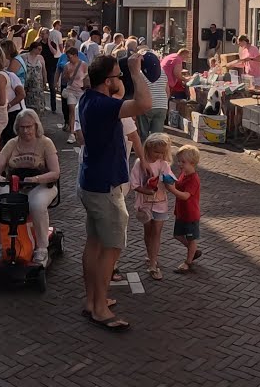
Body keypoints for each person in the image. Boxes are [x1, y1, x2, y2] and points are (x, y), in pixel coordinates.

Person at [77, 53, 151, 332]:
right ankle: (99, 309)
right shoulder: (104, 105)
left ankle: (92, 300)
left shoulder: (88, 99)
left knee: (94, 244)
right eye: (116, 76)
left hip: (91, 182)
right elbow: (145, 103)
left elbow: (118, 94)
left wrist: (117, 80)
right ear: (107, 80)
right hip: (105, 187)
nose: (120, 80)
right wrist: (135, 71)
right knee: (111, 248)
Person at [0, 109, 61, 264]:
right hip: (16, 185)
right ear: (17, 128)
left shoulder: (46, 143)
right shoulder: (12, 144)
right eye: (22, 127)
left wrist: (36, 179)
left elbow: (55, 172)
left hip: (41, 185)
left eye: (29, 126)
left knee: (36, 204)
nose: (26, 130)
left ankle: (42, 249)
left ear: (36, 126)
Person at [130, 133, 175, 281]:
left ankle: (153, 264)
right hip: (145, 205)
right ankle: (150, 255)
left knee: (156, 233)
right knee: (148, 232)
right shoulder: (139, 163)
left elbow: (170, 180)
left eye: (162, 152)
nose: (159, 155)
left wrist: (170, 182)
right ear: (148, 149)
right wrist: (146, 190)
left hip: (161, 204)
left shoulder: (164, 164)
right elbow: (134, 184)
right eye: (156, 152)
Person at [168, 143, 202, 274]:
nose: (180, 164)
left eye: (183, 162)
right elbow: (179, 184)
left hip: (190, 215)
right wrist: (171, 181)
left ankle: (188, 262)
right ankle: (193, 251)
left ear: (192, 162)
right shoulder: (184, 174)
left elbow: (185, 196)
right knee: (177, 235)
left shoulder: (193, 179)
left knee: (191, 238)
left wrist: (171, 189)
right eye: (179, 161)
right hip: (181, 213)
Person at [61, 46, 88, 145]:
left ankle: (80, 131)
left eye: (70, 57)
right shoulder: (67, 66)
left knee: (81, 111)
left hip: (81, 91)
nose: (69, 59)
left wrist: (86, 88)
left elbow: (86, 77)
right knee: (72, 110)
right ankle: (72, 133)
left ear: (76, 56)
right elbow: (64, 79)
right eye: (68, 57)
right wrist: (67, 75)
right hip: (71, 90)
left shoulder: (83, 65)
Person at [140, 64, 169, 139]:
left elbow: (138, 90)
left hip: (146, 104)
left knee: (144, 135)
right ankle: (155, 150)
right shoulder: (162, 72)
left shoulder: (140, 73)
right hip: (162, 105)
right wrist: (164, 102)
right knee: (157, 137)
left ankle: (144, 150)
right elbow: (167, 90)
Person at [21, 41, 49, 113]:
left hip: (37, 84)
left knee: (38, 105)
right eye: (39, 49)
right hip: (26, 83)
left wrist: (45, 81)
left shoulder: (40, 58)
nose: (40, 51)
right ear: (33, 48)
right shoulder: (24, 57)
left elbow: (44, 70)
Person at [44, 20, 64, 116]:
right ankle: (54, 106)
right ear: (56, 25)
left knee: (48, 80)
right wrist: (62, 53)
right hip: (56, 57)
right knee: (54, 78)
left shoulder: (49, 32)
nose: (60, 27)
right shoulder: (58, 33)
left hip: (48, 59)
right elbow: (60, 46)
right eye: (59, 25)